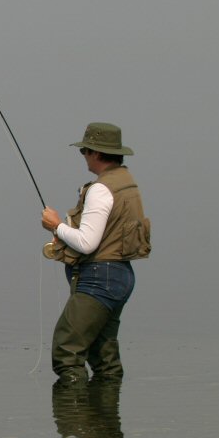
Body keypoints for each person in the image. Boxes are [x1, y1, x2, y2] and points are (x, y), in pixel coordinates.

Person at [41, 122, 151, 384]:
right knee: (104, 355)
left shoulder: (101, 189)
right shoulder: (127, 183)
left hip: (99, 278)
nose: (84, 157)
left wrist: (56, 226)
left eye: (85, 151)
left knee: (67, 351)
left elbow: (87, 243)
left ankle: (75, 421)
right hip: (120, 275)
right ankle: (106, 423)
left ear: (97, 153)